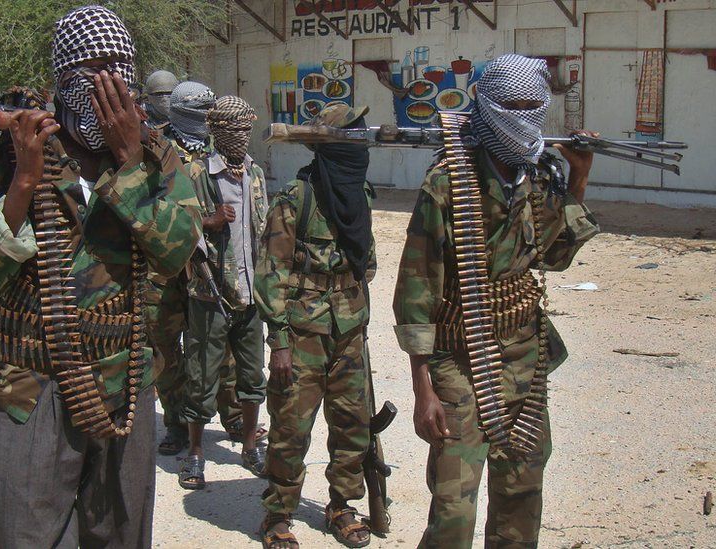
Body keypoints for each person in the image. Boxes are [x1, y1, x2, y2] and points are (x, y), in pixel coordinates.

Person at [0, 6, 201, 547]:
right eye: (90, 72)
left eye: (119, 70)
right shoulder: (25, 148)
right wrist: (22, 179)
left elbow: (176, 252)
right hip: (34, 381)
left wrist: (131, 161)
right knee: (26, 532)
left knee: (119, 530)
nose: (107, 87)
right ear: (62, 77)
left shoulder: (157, 157)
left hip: (125, 382)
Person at [392, 54, 600, 548]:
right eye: (512, 105)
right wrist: (423, 388)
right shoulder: (448, 182)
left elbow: (554, 257)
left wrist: (579, 180)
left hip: (526, 359)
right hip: (461, 363)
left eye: (533, 106)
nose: (523, 117)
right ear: (487, 106)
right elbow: (416, 291)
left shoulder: (540, 176)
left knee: (521, 500)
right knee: (454, 512)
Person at [256, 104, 377, 548]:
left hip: (349, 331)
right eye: (353, 136)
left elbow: (368, 264)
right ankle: (278, 514)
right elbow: (270, 273)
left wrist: (356, 318)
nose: (361, 144)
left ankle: (342, 505)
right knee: (290, 426)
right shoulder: (295, 198)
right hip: (303, 332)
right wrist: (280, 342)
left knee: (352, 424)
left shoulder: (358, 196)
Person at [179, 96, 268, 489]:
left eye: (246, 129)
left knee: (252, 375)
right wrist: (208, 221)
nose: (241, 137)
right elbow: (176, 227)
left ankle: (250, 446)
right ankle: (195, 453)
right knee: (201, 374)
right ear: (217, 131)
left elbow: (261, 231)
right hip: (210, 293)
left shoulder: (255, 173)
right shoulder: (197, 171)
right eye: (234, 129)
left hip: (250, 294)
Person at [168, 80, 215, 163]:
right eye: (200, 108)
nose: (207, 114)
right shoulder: (161, 145)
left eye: (209, 107)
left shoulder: (216, 144)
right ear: (180, 112)